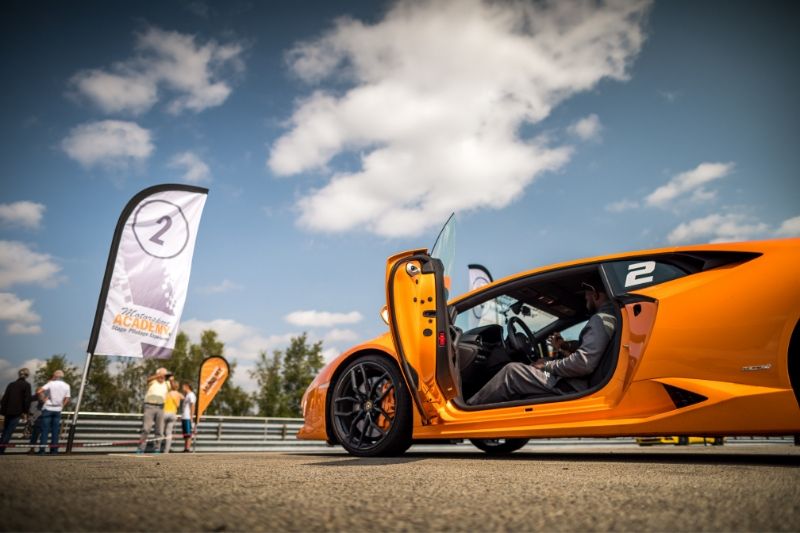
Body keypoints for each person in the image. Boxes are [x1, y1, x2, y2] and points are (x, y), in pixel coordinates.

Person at [468, 282, 616, 405]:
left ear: (595, 294)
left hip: (572, 385)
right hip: (577, 381)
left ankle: (468, 410)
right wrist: (562, 348)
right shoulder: (611, 318)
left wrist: (546, 366)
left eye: (586, 297)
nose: (586, 300)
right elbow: (587, 352)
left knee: (511, 371)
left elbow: (583, 364)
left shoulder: (599, 319)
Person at [36, 370, 71, 455]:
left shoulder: (51, 383)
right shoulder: (67, 385)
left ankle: (42, 451)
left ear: (55, 376)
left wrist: (43, 399)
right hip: (58, 409)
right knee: (55, 431)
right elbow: (67, 398)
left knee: (45, 430)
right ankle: (54, 451)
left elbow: (39, 391)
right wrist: (62, 405)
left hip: (48, 408)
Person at [137, 368, 171, 454]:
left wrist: (170, 378)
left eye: (165, 375)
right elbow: (147, 380)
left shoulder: (167, 383)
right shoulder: (153, 381)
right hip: (149, 406)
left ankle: (157, 449)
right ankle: (140, 449)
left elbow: (174, 387)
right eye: (162, 374)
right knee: (146, 429)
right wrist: (158, 375)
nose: (163, 376)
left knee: (159, 431)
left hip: (161, 407)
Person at [0, 368, 32, 454]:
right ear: (27, 375)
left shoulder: (11, 384)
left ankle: (1, 448)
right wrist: (26, 412)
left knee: (5, 431)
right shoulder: (26, 385)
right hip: (17, 412)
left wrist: (2, 411)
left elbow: (4, 399)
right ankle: (1, 450)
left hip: (7, 411)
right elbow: (27, 400)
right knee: (9, 432)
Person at [160, 380, 183, 453]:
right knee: (169, 433)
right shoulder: (178, 394)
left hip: (165, 413)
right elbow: (181, 400)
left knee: (161, 432)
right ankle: (166, 451)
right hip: (173, 414)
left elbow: (162, 403)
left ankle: (157, 448)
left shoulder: (167, 393)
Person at [180, 382, 196, 452]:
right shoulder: (187, 395)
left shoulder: (191, 395)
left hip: (187, 417)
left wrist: (191, 417)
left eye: (183, 386)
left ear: (187, 386)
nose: (182, 388)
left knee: (188, 433)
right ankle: (185, 447)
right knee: (185, 434)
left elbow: (192, 405)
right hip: (184, 416)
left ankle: (188, 448)